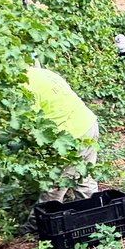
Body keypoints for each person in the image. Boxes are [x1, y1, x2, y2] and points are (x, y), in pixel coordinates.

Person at [25, 65, 99, 204]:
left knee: (53, 190)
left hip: (72, 137)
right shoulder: (44, 73)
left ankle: (36, 226)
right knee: (84, 179)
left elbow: (29, 122)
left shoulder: (25, 85)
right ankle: (98, 220)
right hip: (89, 123)